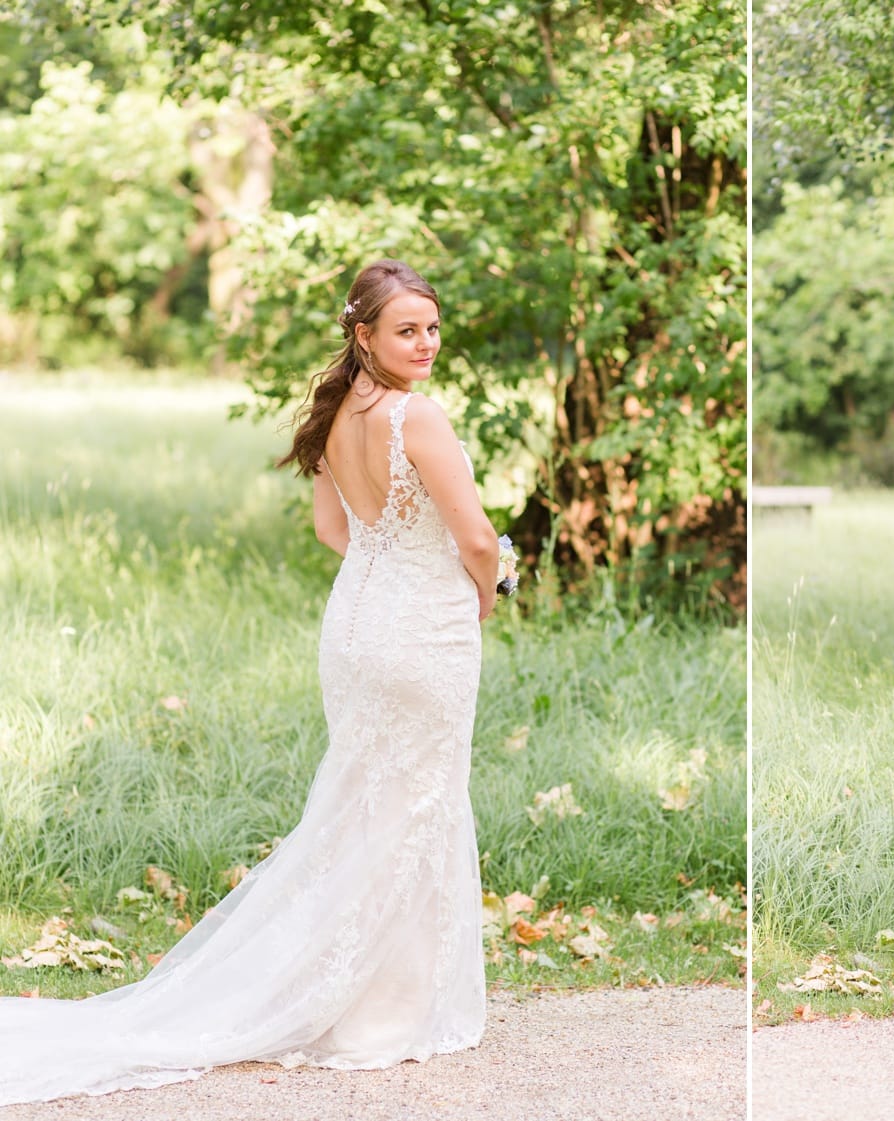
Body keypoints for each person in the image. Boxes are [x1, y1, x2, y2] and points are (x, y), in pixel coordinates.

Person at [0, 258, 512, 1104]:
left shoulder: (334, 411)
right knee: (412, 800)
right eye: (406, 329)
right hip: (421, 634)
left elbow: (332, 530)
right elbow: (480, 539)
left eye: (431, 327)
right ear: (364, 334)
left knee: (364, 800)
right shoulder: (417, 417)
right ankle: (382, 1009)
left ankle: (353, 987)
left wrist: (391, 575)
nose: (425, 343)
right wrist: (479, 596)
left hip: (354, 624)